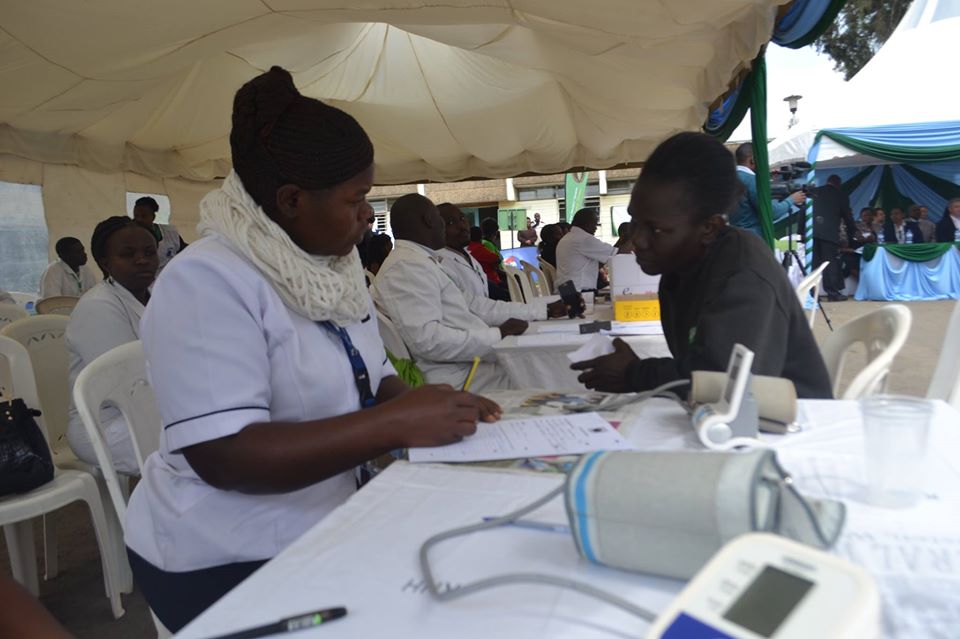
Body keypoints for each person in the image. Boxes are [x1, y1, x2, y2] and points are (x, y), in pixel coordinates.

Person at [124, 67, 500, 633]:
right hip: (224, 554)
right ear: (292, 200)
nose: (366, 216)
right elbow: (226, 456)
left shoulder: (333, 268)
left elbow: (373, 375)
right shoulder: (205, 282)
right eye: (356, 199)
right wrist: (394, 425)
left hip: (327, 519)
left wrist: (433, 409)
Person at [570, 132, 832, 399]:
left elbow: (729, 385)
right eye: (635, 221)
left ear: (710, 228)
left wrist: (636, 373)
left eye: (655, 229)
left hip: (788, 425)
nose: (637, 239)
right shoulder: (678, 267)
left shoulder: (743, 272)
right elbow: (701, 364)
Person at [372, 194, 530, 392]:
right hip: (462, 377)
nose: (445, 227)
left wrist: (537, 312)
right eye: (443, 220)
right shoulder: (406, 266)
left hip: (471, 364)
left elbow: (475, 305)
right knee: (548, 371)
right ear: (430, 220)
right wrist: (497, 335)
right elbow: (427, 341)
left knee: (543, 359)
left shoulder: (420, 260)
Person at [65, 216, 159, 472]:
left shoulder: (158, 297)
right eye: (128, 254)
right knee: (205, 442)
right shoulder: (98, 306)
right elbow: (129, 384)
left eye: (149, 252)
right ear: (104, 262)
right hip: (106, 424)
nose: (142, 260)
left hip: (153, 410)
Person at [437, 202, 567, 320]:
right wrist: (542, 310)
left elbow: (486, 300)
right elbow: (475, 308)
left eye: (462, 219)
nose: (462, 226)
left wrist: (541, 308)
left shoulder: (466, 255)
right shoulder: (440, 264)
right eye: (451, 223)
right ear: (435, 227)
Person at [730, 143, 805, 237]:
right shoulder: (753, 181)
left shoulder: (730, 179)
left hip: (735, 236)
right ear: (753, 160)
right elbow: (772, 212)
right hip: (752, 239)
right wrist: (792, 200)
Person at [811, 174, 858, 301]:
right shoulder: (840, 195)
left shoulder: (815, 191)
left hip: (812, 232)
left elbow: (804, 211)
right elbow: (847, 215)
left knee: (814, 264)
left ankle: (812, 295)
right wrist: (853, 231)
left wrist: (801, 231)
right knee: (829, 263)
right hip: (829, 234)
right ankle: (832, 293)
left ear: (828, 181)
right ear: (838, 183)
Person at [555, 208, 624, 291]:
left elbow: (606, 258)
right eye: (594, 224)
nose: (596, 228)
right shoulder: (583, 239)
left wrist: (621, 240)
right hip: (580, 291)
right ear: (586, 223)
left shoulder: (569, 237)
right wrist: (634, 235)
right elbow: (619, 253)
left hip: (567, 290)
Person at [132, 196, 186, 272]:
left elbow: (185, 251)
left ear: (153, 217)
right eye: (136, 216)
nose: (139, 219)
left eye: (144, 216)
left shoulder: (170, 232)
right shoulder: (130, 236)